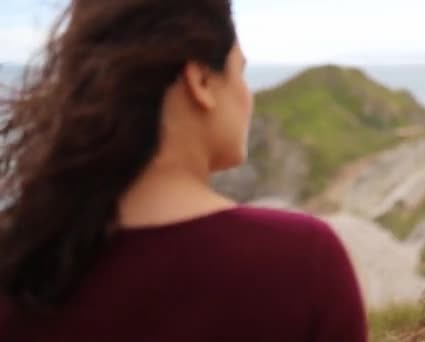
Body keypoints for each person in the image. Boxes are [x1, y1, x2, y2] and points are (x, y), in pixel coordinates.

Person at [0, 0, 368, 341]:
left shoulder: (22, 263)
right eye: (240, 71)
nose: (248, 93)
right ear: (202, 81)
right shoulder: (302, 262)